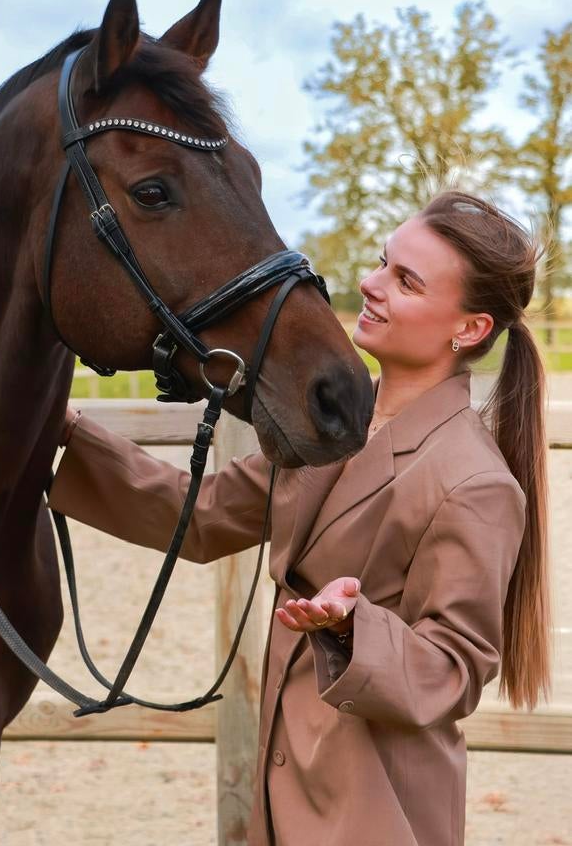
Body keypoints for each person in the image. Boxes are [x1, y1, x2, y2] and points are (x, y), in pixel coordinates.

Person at [50, 190, 551, 846]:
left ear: (470, 329)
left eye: (406, 281)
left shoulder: (474, 482)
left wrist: (351, 626)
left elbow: (454, 668)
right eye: (383, 262)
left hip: (376, 808)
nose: (370, 284)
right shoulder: (329, 425)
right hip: (282, 784)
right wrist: (66, 434)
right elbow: (203, 515)